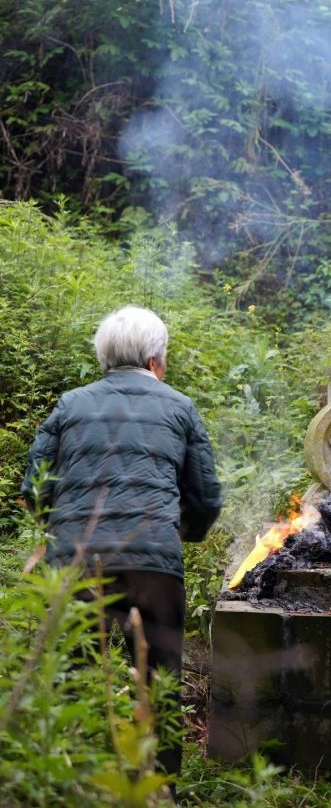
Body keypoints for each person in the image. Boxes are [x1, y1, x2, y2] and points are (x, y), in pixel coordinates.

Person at [22, 305, 221, 790]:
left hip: (77, 563)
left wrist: (62, 530)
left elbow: (34, 488)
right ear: (155, 360)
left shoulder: (69, 405)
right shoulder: (179, 407)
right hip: (154, 568)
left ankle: (74, 786)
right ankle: (159, 791)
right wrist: (177, 535)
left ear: (106, 357)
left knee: (73, 680)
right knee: (160, 684)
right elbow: (205, 498)